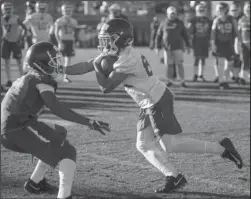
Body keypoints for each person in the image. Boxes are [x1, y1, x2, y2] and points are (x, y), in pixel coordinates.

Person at [64, 18, 243, 193]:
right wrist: (61, 69)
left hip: (157, 99)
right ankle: (173, 176)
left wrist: (97, 67)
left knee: (170, 145)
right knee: (143, 144)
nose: (104, 43)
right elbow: (87, 65)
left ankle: (222, 149)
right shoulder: (117, 52)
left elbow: (106, 87)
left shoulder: (128, 57)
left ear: (121, 38)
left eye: (109, 39)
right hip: (148, 101)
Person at [1, 41, 110, 199]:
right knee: (68, 152)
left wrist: (99, 59)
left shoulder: (34, 76)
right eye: (54, 61)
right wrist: (89, 122)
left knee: (60, 132)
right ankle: (64, 196)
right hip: (16, 129)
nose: (58, 64)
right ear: (41, 64)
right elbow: (58, 109)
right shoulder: (41, 81)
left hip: (17, 123)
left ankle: (34, 182)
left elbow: (83, 67)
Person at [155, 6, 191, 88]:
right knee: (169, 65)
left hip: (178, 48)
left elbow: (185, 35)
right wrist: (157, 47)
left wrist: (188, 46)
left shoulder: (180, 23)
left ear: (176, 14)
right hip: (167, 48)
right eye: (171, 14)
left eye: (174, 14)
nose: (172, 15)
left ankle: (182, 81)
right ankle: (169, 81)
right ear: (167, 14)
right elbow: (158, 35)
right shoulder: (163, 23)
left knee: (180, 64)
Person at [211, 2, 241, 89]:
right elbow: (213, 33)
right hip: (220, 44)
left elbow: (236, 31)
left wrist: (238, 41)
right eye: (218, 9)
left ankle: (225, 79)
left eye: (221, 9)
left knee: (230, 63)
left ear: (226, 9)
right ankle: (221, 82)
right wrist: (213, 44)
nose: (219, 11)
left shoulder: (232, 19)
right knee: (220, 63)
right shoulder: (216, 20)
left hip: (229, 44)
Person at [1, 2, 27, 87]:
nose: (8, 10)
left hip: (15, 42)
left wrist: (21, 38)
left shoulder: (16, 18)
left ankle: (23, 78)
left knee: (19, 61)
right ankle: (9, 80)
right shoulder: (1, 19)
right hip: (5, 42)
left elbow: (24, 29)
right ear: (3, 10)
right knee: (6, 62)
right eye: (6, 9)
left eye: (9, 9)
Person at [55, 3, 79, 83]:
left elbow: (75, 32)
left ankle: (66, 76)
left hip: (70, 41)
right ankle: (56, 75)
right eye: (66, 10)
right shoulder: (59, 20)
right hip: (62, 40)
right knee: (58, 59)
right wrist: (59, 41)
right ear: (63, 11)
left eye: (69, 10)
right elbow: (55, 32)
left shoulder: (74, 21)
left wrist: (74, 41)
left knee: (68, 59)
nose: (68, 12)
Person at [188, 3, 212, 82]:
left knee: (203, 58)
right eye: (200, 9)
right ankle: (195, 75)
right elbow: (190, 31)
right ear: (197, 10)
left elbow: (211, 32)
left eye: (202, 9)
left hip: (205, 41)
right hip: (197, 41)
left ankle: (201, 75)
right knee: (197, 58)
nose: (201, 11)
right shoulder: (193, 20)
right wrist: (190, 42)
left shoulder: (208, 20)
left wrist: (210, 41)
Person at [238, 2, 250, 85]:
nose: (248, 10)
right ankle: (241, 77)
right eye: (247, 9)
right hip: (245, 44)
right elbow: (238, 33)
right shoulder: (241, 19)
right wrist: (237, 43)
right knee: (244, 61)